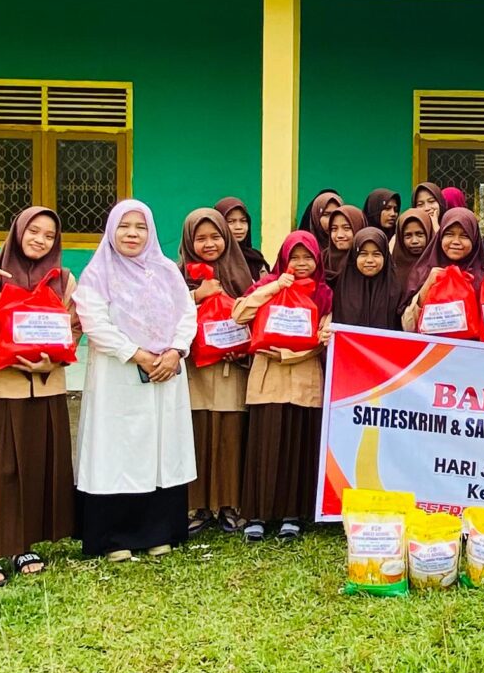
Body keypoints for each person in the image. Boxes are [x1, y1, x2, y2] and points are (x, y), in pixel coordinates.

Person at [72, 200, 197, 562]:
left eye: (140, 227)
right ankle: (115, 539)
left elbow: (188, 315)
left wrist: (174, 352)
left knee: (161, 449)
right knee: (119, 450)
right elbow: (94, 322)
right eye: (124, 226)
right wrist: (138, 354)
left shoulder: (168, 272)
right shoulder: (98, 274)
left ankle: (160, 533)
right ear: (111, 230)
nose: (132, 233)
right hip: (119, 375)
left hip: (166, 375)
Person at [0, 206, 77, 587]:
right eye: (33, 231)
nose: (40, 240)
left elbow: (74, 329)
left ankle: (22, 542)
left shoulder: (63, 279)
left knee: (36, 463)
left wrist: (51, 363)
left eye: (48, 235)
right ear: (18, 231)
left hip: (46, 385)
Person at [240, 232, 331, 538]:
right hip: (267, 380)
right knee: (265, 444)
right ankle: (258, 514)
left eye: (308, 258)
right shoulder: (267, 285)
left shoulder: (324, 293)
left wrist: (284, 352)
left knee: (296, 445)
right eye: (295, 257)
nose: (302, 264)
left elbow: (322, 338)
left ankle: (291, 514)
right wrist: (275, 287)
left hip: (304, 379)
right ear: (284, 259)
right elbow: (240, 313)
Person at [180, 206, 252, 535]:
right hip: (194, 371)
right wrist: (196, 294)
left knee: (229, 432)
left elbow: (256, 314)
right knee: (199, 432)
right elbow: (164, 314)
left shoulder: (241, 273)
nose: (209, 244)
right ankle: (197, 506)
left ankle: (228, 504)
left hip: (231, 369)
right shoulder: (176, 275)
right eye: (201, 238)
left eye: (216, 237)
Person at [332, 224, 406, 333]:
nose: (369, 260)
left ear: (385, 257)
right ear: (354, 256)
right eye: (363, 254)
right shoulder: (341, 287)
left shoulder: (396, 288)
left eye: (376, 254)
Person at [215, 196, 269, 278]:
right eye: (230, 221)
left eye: (243, 221)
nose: (238, 227)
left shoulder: (255, 258)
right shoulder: (214, 259)